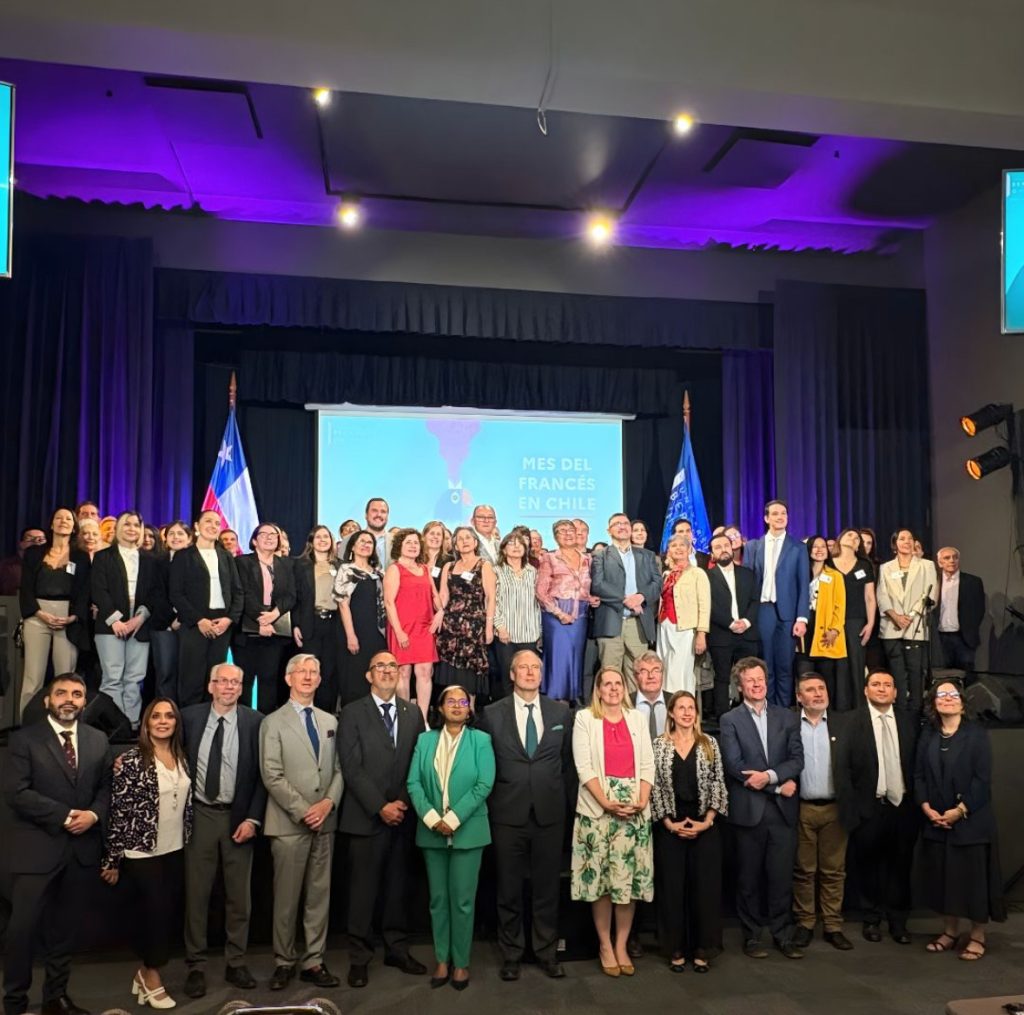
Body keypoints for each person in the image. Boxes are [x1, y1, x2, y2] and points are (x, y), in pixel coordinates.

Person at [2, 673, 111, 1015]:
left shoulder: (98, 740)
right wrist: (66, 816)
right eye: (61, 693)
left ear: (83, 702)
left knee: (65, 931)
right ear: (47, 700)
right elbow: (16, 793)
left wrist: (93, 815)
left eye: (77, 694)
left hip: (80, 853)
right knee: (22, 932)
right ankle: (15, 1002)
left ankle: (55, 998)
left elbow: (106, 789)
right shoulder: (24, 740)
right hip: (36, 852)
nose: (69, 699)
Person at [480, 650, 571, 981]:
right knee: (509, 887)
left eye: (536, 667)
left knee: (547, 887)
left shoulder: (561, 711)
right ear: (512, 674)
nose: (531, 672)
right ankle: (512, 953)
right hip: (507, 813)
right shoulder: (491, 714)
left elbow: (567, 764)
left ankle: (546, 951)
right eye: (524, 668)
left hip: (549, 813)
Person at [338, 651, 427, 988]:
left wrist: (401, 803)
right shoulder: (351, 712)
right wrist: (381, 806)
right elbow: (351, 767)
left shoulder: (412, 712)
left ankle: (396, 949)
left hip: (402, 818)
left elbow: (417, 763)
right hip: (365, 817)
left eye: (393, 666)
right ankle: (359, 958)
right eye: (381, 667)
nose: (388, 671)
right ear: (368, 675)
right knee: (362, 892)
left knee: (397, 889)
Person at [180, 663, 267, 999]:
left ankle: (237, 961)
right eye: (223, 681)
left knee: (238, 897)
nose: (229, 687)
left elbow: (262, 777)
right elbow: (164, 752)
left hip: (239, 818)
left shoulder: (256, 722)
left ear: (242, 688)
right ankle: (195, 966)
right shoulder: (188, 718)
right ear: (211, 685)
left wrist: (253, 819)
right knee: (197, 894)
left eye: (235, 682)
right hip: (200, 815)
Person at [100, 698, 192, 1010]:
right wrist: (112, 859)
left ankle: (143, 974)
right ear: (146, 722)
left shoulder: (181, 756)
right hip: (141, 852)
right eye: (156, 716)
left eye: (169, 716)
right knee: (154, 917)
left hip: (175, 848)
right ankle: (152, 977)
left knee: (166, 915)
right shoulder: (130, 760)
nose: (163, 721)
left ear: (176, 722)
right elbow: (119, 812)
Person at [260, 654, 345, 990]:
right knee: (286, 897)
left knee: (318, 895)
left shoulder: (330, 721)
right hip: (288, 823)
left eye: (314, 672)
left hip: (325, 822)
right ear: (288, 678)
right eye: (302, 672)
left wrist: (327, 803)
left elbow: (340, 770)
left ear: (321, 680)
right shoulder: (273, 722)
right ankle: (284, 961)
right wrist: (305, 809)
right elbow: (272, 774)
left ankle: (313, 960)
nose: (308, 677)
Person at [407, 685, 496, 991]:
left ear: (470, 709)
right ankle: (441, 959)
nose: (457, 706)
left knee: (462, 902)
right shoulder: (424, 740)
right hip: (431, 832)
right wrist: (433, 819)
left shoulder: (481, 741)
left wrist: (454, 818)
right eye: (451, 701)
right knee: (438, 900)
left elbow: (484, 783)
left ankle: (461, 962)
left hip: (468, 832)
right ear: (440, 708)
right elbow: (414, 783)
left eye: (463, 701)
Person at [570, 668, 655, 977]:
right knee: (603, 884)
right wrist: (606, 802)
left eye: (618, 683)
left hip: (634, 809)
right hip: (598, 809)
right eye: (607, 684)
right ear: (598, 689)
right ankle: (605, 944)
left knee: (627, 884)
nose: (614, 688)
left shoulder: (637, 719)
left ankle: (621, 945)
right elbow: (583, 765)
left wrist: (642, 799)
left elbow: (647, 763)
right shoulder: (585, 719)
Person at [719, 656, 805, 959]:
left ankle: (783, 935)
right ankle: (752, 936)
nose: (757, 684)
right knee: (749, 879)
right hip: (749, 812)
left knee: (781, 878)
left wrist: (769, 777)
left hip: (782, 813)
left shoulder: (788, 716)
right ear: (740, 686)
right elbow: (735, 766)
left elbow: (797, 760)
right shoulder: (730, 720)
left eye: (760, 678)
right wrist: (778, 785)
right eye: (750, 680)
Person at [916, 679, 1006, 959]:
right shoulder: (928, 735)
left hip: (971, 823)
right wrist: (926, 807)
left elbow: (982, 781)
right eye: (940, 695)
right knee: (945, 881)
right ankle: (950, 932)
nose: (947, 698)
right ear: (933, 702)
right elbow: (918, 775)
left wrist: (960, 811)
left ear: (963, 701)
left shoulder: (976, 734)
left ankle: (977, 936)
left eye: (952, 694)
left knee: (973, 883)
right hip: (936, 822)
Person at [839, 670, 919, 945]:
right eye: (876, 684)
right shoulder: (852, 722)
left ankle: (898, 922)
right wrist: (854, 813)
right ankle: (871, 920)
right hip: (869, 808)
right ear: (865, 691)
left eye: (887, 685)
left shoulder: (910, 722)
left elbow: (917, 767)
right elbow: (843, 770)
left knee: (900, 867)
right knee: (868, 868)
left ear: (896, 692)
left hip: (903, 807)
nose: (882, 689)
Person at [651, 690, 728, 972]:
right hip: (670, 827)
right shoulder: (658, 745)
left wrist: (706, 821)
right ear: (670, 712)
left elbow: (719, 783)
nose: (686, 712)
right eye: (680, 708)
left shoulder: (709, 744)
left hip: (704, 827)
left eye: (691, 708)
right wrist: (669, 823)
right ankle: (675, 948)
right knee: (672, 891)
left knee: (704, 892)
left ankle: (702, 949)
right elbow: (655, 786)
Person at [790, 672, 854, 951]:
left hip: (835, 809)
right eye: (810, 690)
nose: (817, 694)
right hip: (801, 809)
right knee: (804, 871)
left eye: (821, 688)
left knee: (833, 871)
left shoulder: (845, 723)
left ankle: (832, 925)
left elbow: (859, 766)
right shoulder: (789, 725)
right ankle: (805, 923)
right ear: (798, 697)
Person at [90, 511, 161, 729]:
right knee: (112, 678)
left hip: (140, 623)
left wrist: (139, 618)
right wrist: (116, 620)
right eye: (126, 524)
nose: (131, 528)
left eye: (136, 525)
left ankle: (131, 724)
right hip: (109, 624)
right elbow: (98, 589)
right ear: (119, 528)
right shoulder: (104, 556)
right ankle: (113, 725)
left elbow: (155, 592)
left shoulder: (150, 559)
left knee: (134, 678)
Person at [18, 508, 91, 717]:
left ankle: (65, 722)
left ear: (74, 526)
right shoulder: (34, 553)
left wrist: (74, 616)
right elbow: (26, 588)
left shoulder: (81, 556)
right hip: (37, 616)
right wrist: (39, 613)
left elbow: (85, 590)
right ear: (51, 524)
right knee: (33, 676)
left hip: (67, 617)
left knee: (66, 677)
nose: (63, 521)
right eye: (58, 518)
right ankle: (28, 725)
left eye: (68, 518)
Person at [169, 510, 243, 706]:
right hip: (195, 624)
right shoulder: (183, 556)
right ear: (196, 526)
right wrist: (199, 620)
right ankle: (190, 728)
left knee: (215, 681)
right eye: (208, 521)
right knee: (191, 679)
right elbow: (176, 593)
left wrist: (229, 619)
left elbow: (238, 592)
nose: (213, 526)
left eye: (217, 523)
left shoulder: (226, 556)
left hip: (222, 625)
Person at [744, 500, 809, 707]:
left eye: (783, 513)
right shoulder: (754, 546)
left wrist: (802, 618)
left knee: (785, 666)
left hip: (788, 613)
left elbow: (803, 585)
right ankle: (766, 708)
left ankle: (783, 709)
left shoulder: (798, 547)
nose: (780, 517)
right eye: (775, 514)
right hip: (763, 611)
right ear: (766, 518)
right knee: (765, 665)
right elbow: (748, 581)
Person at [591, 513, 662, 695]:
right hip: (611, 623)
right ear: (609, 530)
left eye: (625, 523)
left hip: (638, 624)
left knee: (639, 675)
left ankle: (635, 717)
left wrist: (641, 596)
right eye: (616, 524)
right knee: (610, 675)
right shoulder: (600, 556)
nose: (622, 526)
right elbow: (598, 585)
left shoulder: (646, 555)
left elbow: (657, 583)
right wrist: (625, 599)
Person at [234, 524, 298, 715]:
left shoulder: (286, 564)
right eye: (264, 534)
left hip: (275, 631)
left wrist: (274, 615)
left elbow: (290, 595)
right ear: (254, 541)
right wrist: (260, 621)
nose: (270, 537)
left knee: (269, 679)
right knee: (244, 679)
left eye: (274, 535)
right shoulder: (242, 562)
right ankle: (244, 722)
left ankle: (265, 722)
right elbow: (243, 594)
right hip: (247, 631)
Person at [876, 528, 938, 713]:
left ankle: (916, 711)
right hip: (891, 626)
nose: (907, 541)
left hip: (915, 626)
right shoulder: (885, 567)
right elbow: (882, 594)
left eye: (910, 538)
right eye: (902, 538)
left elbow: (930, 593)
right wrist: (895, 616)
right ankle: (900, 711)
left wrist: (910, 616)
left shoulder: (926, 565)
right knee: (897, 674)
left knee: (915, 673)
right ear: (895, 544)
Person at [384, 528, 442, 722]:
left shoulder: (425, 569)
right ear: (400, 545)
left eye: (416, 542)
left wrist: (440, 612)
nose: (413, 546)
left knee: (425, 672)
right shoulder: (395, 569)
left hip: (424, 628)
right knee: (403, 672)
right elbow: (389, 602)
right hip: (402, 628)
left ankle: (423, 719)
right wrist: (399, 632)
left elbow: (435, 595)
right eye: (408, 542)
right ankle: (406, 718)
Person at [536, 519, 595, 702]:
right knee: (559, 660)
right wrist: (559, 613)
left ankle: (571, 706)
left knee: (576, 660)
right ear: (555, 537)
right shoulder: (550, 558)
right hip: (557, 617)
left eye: (570, 530)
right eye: (562, 531)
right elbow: (540, 592)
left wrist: (591, 598)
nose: (568, 533)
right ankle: (555, 703)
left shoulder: (588, 558)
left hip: (581, 617)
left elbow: (585, 587)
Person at [436, 526, 495, 706]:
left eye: (468, 537)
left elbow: (491, 597)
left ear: (475, 542)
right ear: (455, 544)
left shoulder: (483, 565)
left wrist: (489, 627)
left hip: (474, 626)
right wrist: (439, 613)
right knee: (450, 676)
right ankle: (450, 714)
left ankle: (467, 714)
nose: (464, 541)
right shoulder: (449, 566)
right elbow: (444, 595)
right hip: (450, 627)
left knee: (469, 676)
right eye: (459, 538)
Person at [706, 532, 759, 719]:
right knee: (722, 678)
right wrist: (729, 623)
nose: (723, 550)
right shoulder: (706, 577)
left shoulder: (748, 574)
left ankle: (751, 715)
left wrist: (746, 622)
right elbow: (708, 605)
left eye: (726, 545)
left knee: (749, 677)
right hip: (721, 634)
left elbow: (755, 600)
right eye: (718, 547)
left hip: (748, 634)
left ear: (732, 548)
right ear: (712, 553)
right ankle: (723, 719)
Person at [333, 530, 387, 708]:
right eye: (361, 541)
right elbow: (343, 604)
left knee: (376, 678)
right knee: (354, 679)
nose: (365, 545)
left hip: (376, 634)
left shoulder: (379, 573)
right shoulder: (347, 570)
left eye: (369, 542)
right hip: (355, 632)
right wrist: (351, 635)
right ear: (353, 547)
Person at [293, 525, 344, 712]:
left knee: (330, 673)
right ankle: (306, 711)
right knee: (309, 671)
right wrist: (296, 624)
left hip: (334, 624)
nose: (323, 540)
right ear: (311, 541)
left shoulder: (340, 565)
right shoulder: (300, 565)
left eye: (326, 537)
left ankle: (327, 715)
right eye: (318, 537)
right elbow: (296, 597)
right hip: (310, 622)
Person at [796, 536, 847, 706]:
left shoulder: (835, 576)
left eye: (823, 546)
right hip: (804, 628)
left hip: (826, 631)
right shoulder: (800, 573)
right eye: (815, 547)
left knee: (826, 680)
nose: (819, 550)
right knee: (804, 677)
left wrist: (835, 629)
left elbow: (840, 606)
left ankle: (829, 717)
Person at [656, 534, 710, 696]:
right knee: (665, 668)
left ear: (689, 549)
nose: (678, 548)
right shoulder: (666, 575)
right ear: (668, 551)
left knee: (680, 669)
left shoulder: (697, 573)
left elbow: (704, 605)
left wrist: (701, 634)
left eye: (682, 545)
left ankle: (682, 705)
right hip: (664, 626)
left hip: (685, 629)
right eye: (673, 546)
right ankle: (666, 707)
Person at [830, 529, 877, 711]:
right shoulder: (828, 563)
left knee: (857, 666)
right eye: (849, 534)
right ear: (840, 539)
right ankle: (838, 710)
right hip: (833, 621)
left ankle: (859, 710)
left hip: (856, 620)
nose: (853, 538)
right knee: (838, 667)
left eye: (856, 537)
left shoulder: (864, 565)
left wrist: (870, 623)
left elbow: (870, 597)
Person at [492, 532, 541, 698]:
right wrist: (499, 626)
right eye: (511, 543)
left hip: (530, 633)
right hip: (506, 634)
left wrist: (540, 630)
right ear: (504, 550)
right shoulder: (496, 571)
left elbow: (538, 603)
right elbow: (492, 601)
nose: (516, 546)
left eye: (520, 543)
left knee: (528, 677)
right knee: (508, 677)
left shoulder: (533, 572)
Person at [149, 520, 192, 702]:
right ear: (165, 539)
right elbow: (155, 594)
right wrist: (170, 621)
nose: (176, 537)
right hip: (163, 625)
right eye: (171, 534)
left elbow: (196, 595)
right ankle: (165, 711)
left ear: (189, 538)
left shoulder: (196, 562)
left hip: (189, 624)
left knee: (187, 673)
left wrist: (181, 617)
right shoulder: (156, 562)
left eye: (180, 533)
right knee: (165, 672)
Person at [935, 547, 986, 675]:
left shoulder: (973, 582)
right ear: (940, 563)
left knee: (965, 677)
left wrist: (970, 629)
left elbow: (979, 610)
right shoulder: (934, 582)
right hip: (940, 639)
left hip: (964, 639)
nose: (952, 560)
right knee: (943, 676)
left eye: (955, 557)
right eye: (947, 558)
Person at [633, 652, 671, 741]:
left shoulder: (675, 701)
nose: (651, 676)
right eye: (644, 671)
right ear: (635, 677)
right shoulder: (625, 704)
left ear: (662, 675)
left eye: (656, 671)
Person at [340, 498, 390, 564]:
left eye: (383, 511)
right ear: (366, 515)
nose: (379, 515)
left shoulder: (398, 541)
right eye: (374, 511)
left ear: (387, 516)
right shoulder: (348, 540)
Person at [0, 526, 45, 596]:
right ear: (21, 544)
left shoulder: (56, 566)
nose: (36, 542)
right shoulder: (4, 566)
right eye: (30, 538)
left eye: (41, 539)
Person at [422, 520, 453, 590]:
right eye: (432, 533)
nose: (435, 536)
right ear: (424, 537)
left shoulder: (451, 560)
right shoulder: (416, 560)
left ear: (442, 539)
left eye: (438, 534)